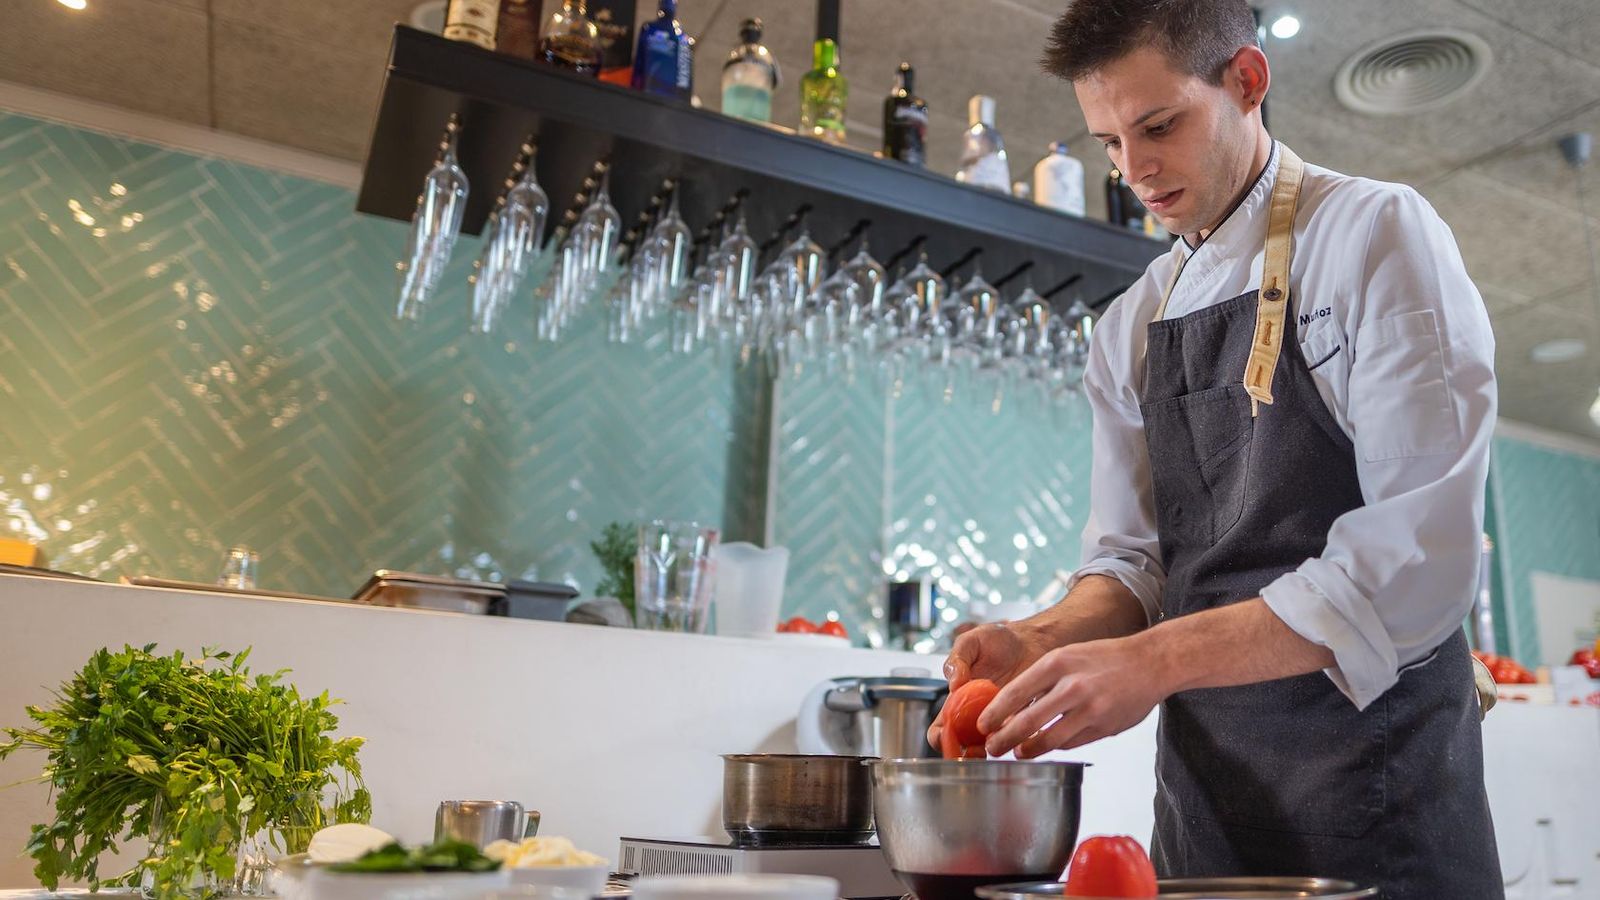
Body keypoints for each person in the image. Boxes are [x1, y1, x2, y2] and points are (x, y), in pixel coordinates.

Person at [927, 1, 1503, 896]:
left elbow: (1414, 564)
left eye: (1159, 125)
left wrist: (1152, 662)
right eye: (1109, 143)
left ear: (1246, 81)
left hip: (1375, 793)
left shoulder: (1373, 235)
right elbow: (1132, 564)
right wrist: (1038, 639)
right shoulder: (1131, 326)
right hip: (1205, 805)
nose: (1136, 170)